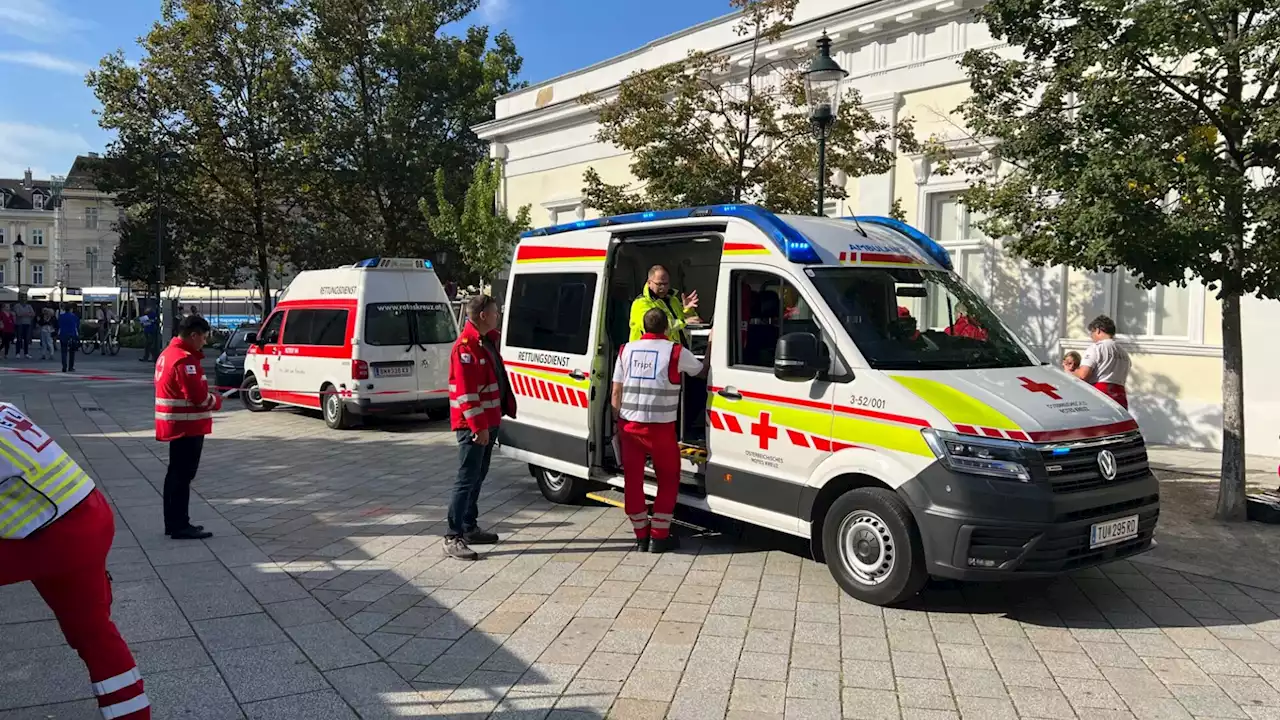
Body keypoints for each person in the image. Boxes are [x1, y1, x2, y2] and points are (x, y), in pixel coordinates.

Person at [0, 402, 152, 719]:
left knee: (91, 630)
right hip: (86, 514)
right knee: (93, 633)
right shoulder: (4, 408)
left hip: (50, 533)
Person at [612, 308, 708, 554]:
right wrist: (711, 345)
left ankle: (641, 535)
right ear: (666, 328)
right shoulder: (675, 351)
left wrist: (617, 423)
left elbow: (616, 393)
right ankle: (659, 536)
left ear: (643, 328)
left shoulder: (626, 350)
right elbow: (701, 371)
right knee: (668, 479)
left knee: (633, 482)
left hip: (629, 427)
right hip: (661, 429)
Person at [445, 294, 517, 560]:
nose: (498, 315)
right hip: (474, 426)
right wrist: (479, 427)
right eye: (495, 312)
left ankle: (469, 526)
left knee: (477, 477)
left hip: (489, 422)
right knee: (466, 479)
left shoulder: (486, 341)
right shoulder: (465, 347)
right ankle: (453, 535)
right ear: (483, 315)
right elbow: (466, 394)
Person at [154, 315, 221, 540]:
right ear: (193, 335)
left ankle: (173, 522)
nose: (205, 342)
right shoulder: (185, 361)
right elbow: (199, 398)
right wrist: (216, 400)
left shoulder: (168, 354)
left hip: (177, 424)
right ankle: (179, 524)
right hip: (187, 425)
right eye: (203, 337)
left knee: (175, 474)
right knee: (182, 476)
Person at [629, 265, 699, 344]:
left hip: (672, 350)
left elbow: (685, 323)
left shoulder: (673, 300)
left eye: (666, 284)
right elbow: (654, 327)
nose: (663, 288)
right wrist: (683, 322)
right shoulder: (641, 303)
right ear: (649, 283)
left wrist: (687, 310)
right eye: (659, 284)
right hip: (648, 351)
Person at [1074, 314, 1131, 409]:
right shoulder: (1124, 353)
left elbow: (1083, 375)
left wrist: (1072, 372)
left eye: (1091, 332)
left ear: (1098, 330)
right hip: (1120, 398)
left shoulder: (1097, 348)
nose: (1091, 337)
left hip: (1100, 396)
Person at [58, 304, 80, 372]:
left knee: (63, 351)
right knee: (72, 352)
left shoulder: (61, 316)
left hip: (63, 334)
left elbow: (58, 325)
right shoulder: (74, 317)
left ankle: (64, 366)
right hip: (72, 335)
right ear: (71, 309)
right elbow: (77, 326)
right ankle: (71, 367)